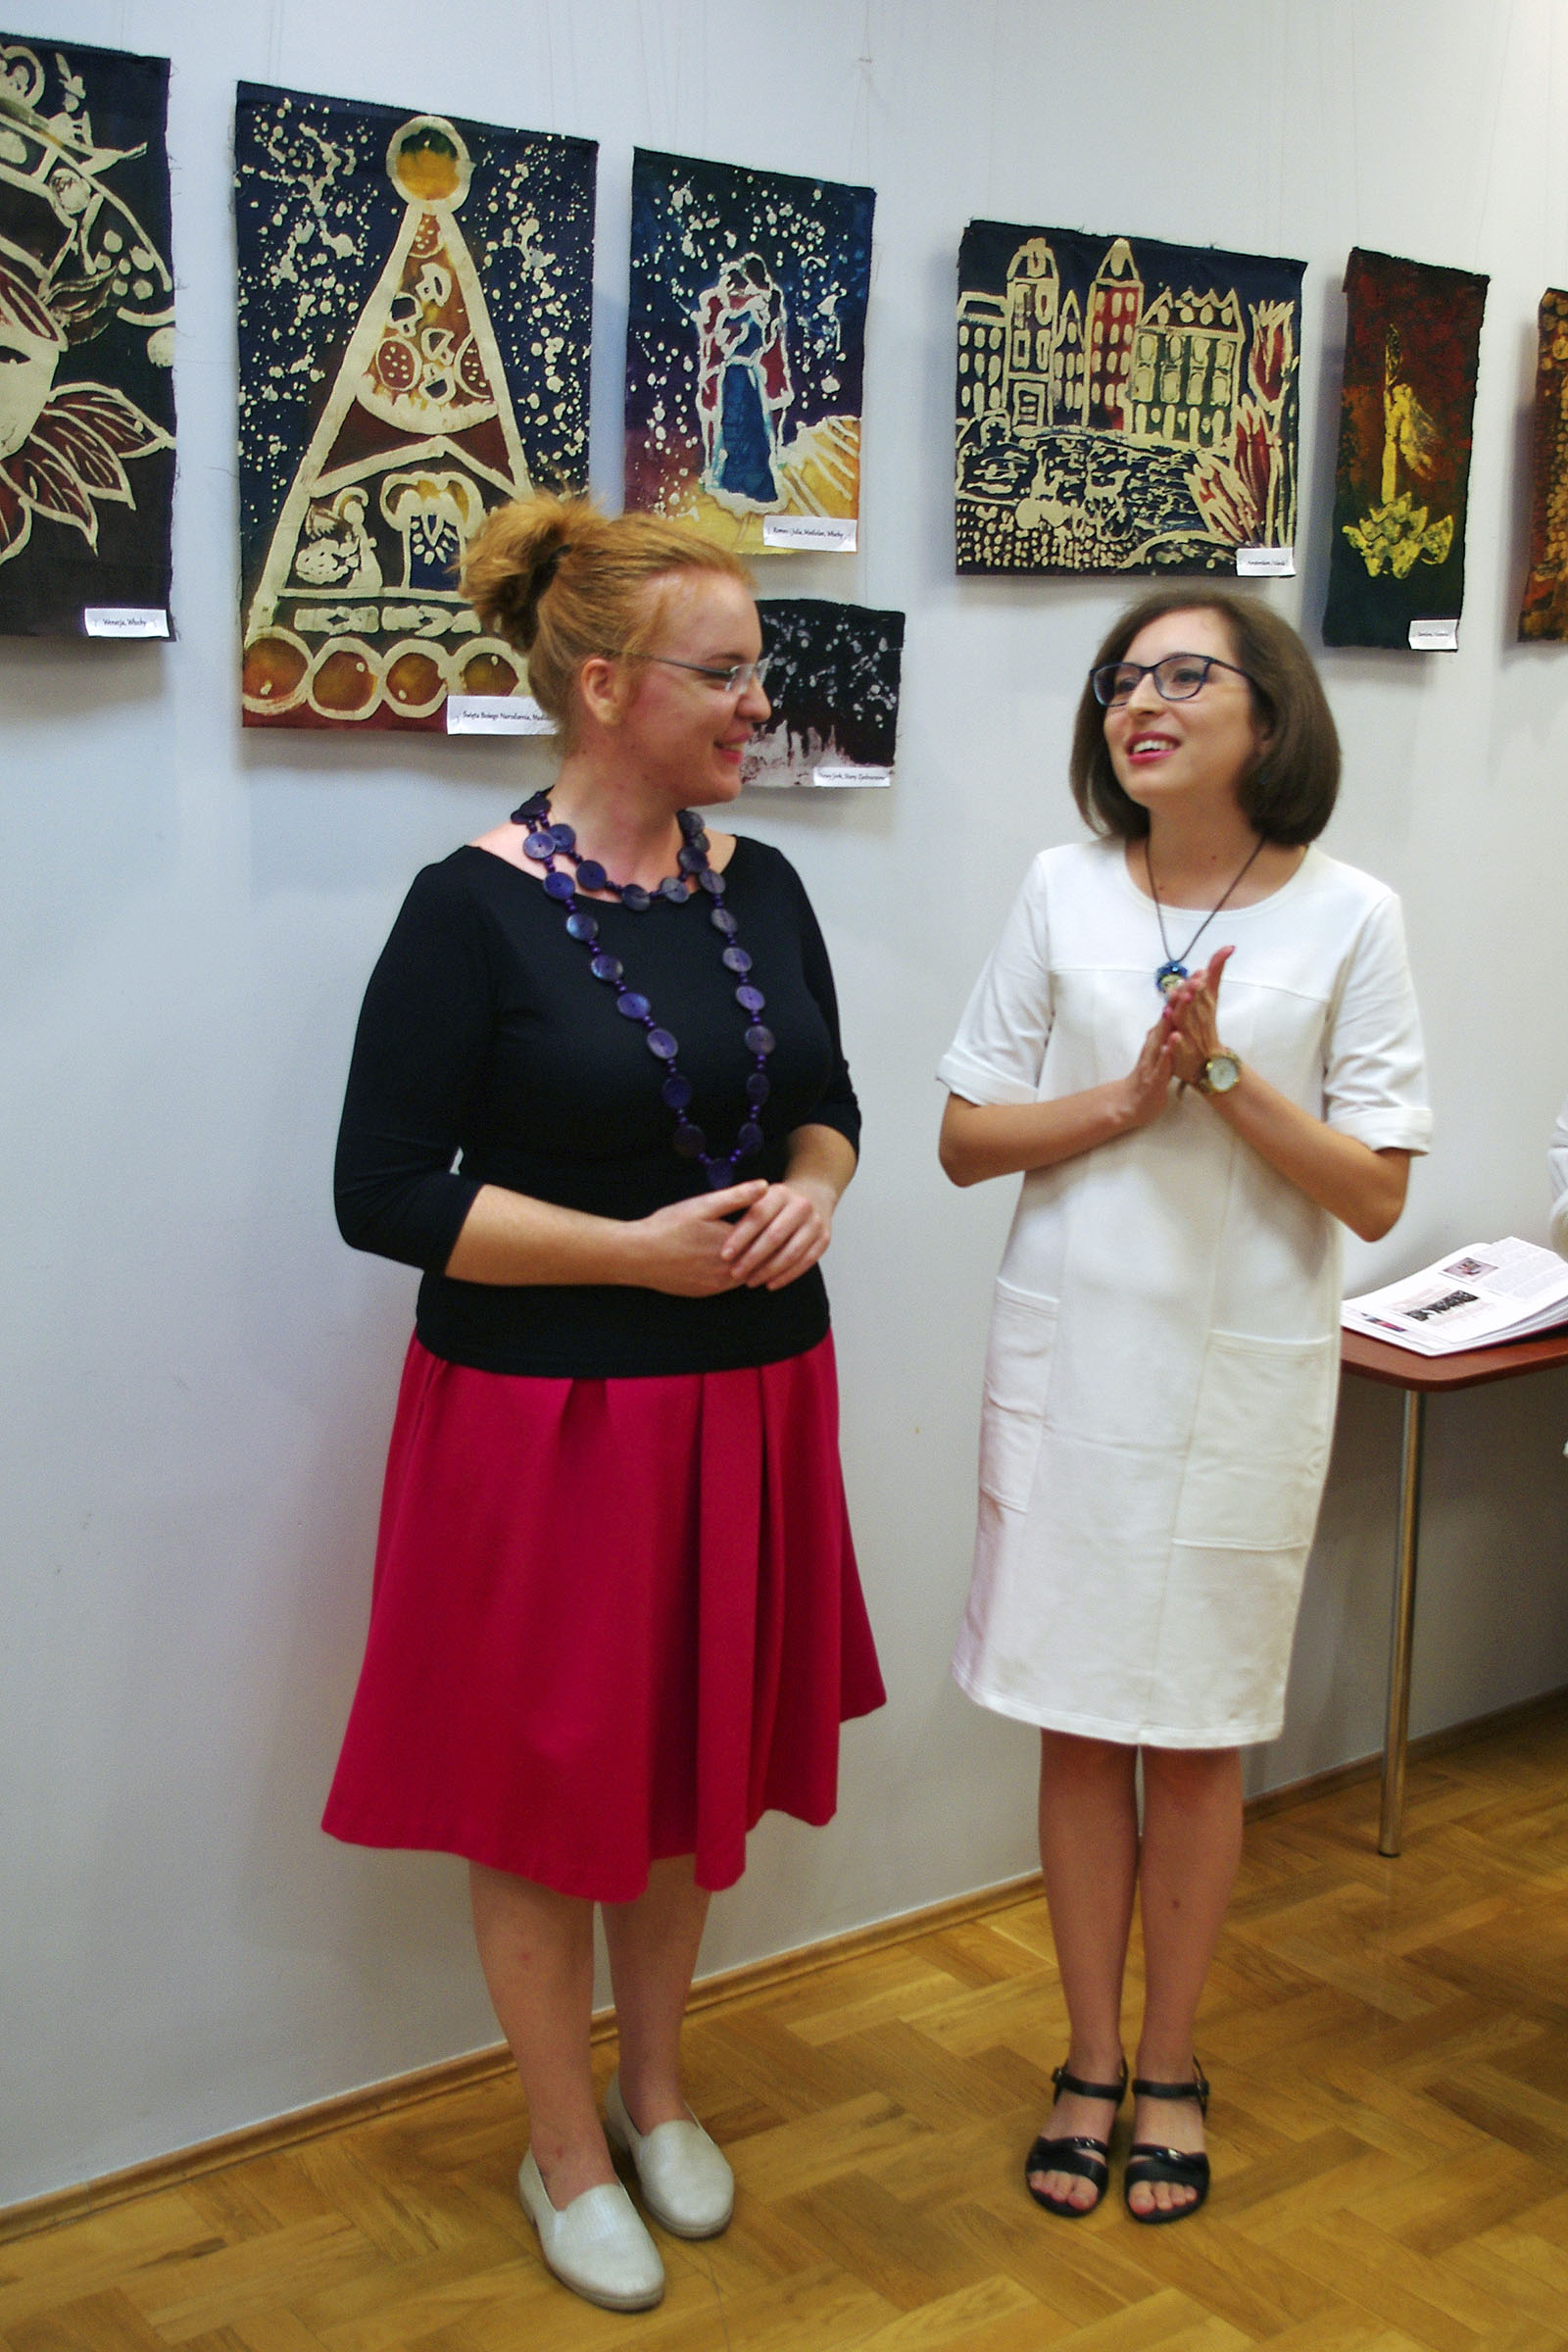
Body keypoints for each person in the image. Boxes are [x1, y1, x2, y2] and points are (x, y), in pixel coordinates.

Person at [324, 494, 883, 2313]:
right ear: (602, 688)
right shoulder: (467, 910)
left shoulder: (761, 884)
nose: (756, 703)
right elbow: (382, 1193)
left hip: (748, 1397)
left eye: (755, 669)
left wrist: (817, 1188)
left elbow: (828, 1100)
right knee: (538, 1790)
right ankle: (559, 2144)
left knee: (683, 1768)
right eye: (723, 673)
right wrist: (631, 1256)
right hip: (546, 1420)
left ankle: (655, 2094)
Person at [938, 590, 1429, 2225]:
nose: (1139, 704)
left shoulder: (1353, 915)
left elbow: (1373, 1192)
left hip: (1239, 1371)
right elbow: (964, 1138)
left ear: (1268, 715)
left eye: (1182, 676)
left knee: (1201, 1730)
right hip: (1074, 1358)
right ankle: (1086, 2061)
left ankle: (1170, 2067)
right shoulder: (1060, 888)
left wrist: (1219, 1076)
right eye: (1120, 681)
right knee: (1082, 1723)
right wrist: (1128, 1095)